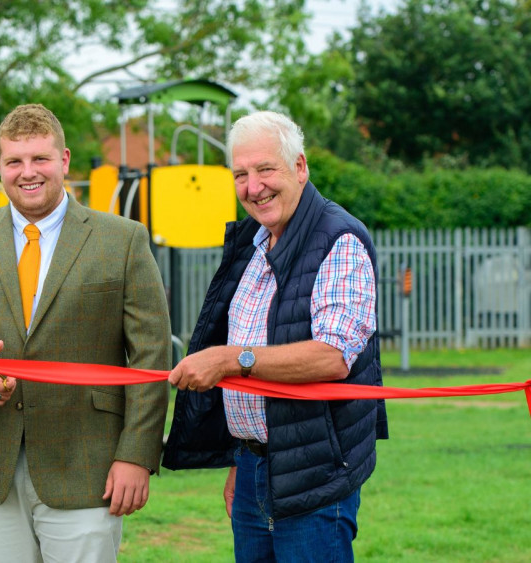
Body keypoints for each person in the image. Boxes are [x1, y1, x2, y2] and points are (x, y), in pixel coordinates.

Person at [0, 103, 171, 562]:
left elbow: (151, 356)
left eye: (40, 159)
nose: (28, 172)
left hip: (88, 465)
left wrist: (137, 453)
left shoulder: (123, 239)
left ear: (64, 160)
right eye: (15, 161)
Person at [162, 111, 388, 562]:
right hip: (253, 468)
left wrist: (230, 360)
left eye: (266, 169)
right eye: (240, 174)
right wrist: (240, 461)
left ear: (299, 167)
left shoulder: (339, 239)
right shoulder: (254, 241)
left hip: (315, 473)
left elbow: (333, 357)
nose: (252, 186)